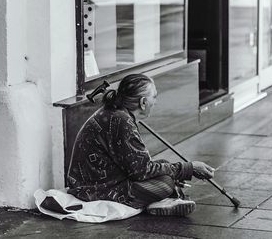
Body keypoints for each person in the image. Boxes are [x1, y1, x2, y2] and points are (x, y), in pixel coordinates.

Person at [67, 74, 215, 216]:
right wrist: (188, 169)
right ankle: (157, 202)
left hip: (96, 180)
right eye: (154, 97)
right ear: (143, 102)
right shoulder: (122, 121)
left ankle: (162, 201)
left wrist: (175, 169)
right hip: (93, 189)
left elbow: (137, 165)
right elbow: (141, 171)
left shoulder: (117, 113)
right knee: (166, 183)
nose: (155, 102)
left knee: (164, 166)